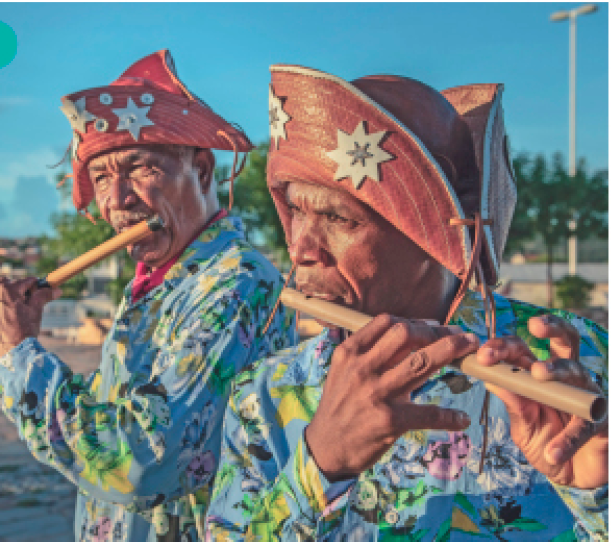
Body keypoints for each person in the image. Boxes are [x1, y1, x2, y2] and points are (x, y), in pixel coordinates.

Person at [205, 65, 608, 540]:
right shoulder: (267, 395)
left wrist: (596, 496)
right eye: (295, 210)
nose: (299, 250)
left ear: (431, 239)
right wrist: (319, 467)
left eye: (337, 217)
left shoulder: (581, 358)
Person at [0, 50, 297, 542]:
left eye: (139, 169)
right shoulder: (153, 281)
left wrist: (19, 360)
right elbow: (113, 413)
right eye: (101, 178)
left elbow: (142, 461)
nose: (117, 199)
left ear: (201, 172)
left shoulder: (237, 283)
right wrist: (0, 349)